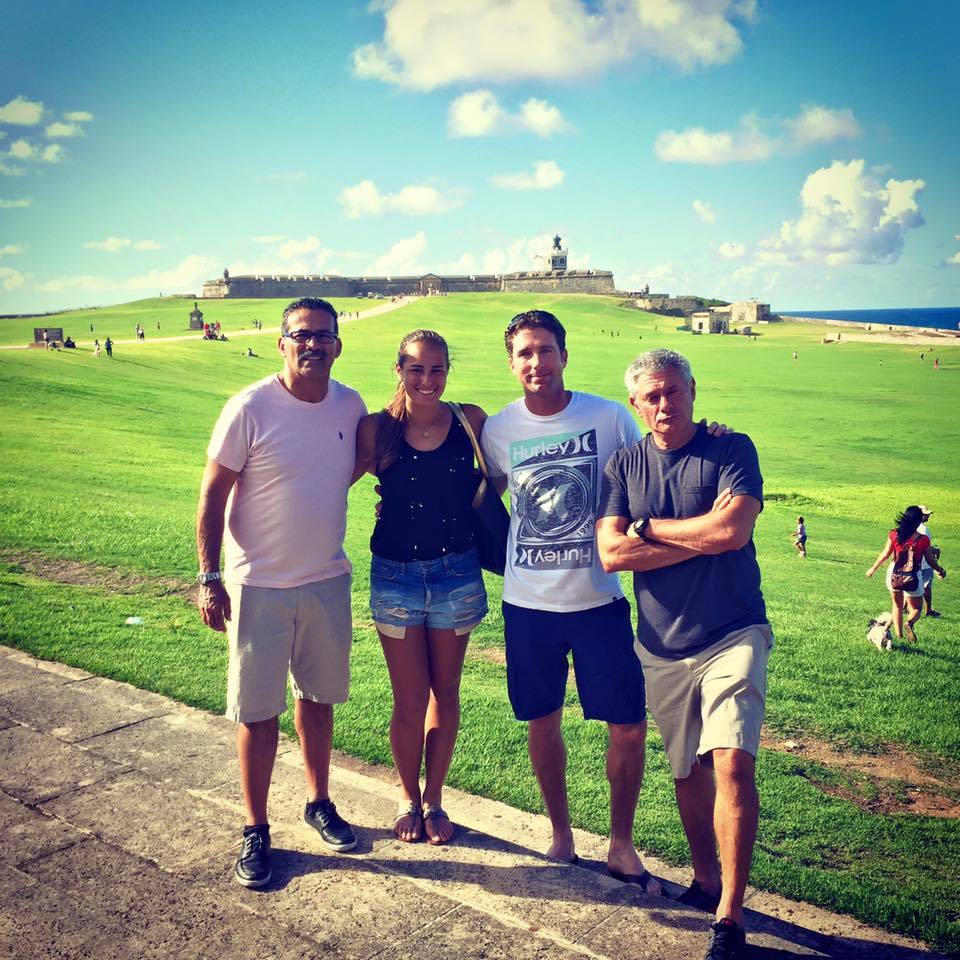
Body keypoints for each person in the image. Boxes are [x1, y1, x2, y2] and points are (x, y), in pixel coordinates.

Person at [597, 348, 771, 960]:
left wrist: (648, 529)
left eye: (673, 391)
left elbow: (733, 531)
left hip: (734, 631)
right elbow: (611, 555)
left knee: (731, 762)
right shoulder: (624, 465)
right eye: (652, 396)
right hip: (661, 645)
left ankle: (730, 918)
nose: (665, 404)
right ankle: (705, 880)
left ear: (693, 390)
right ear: (636, 405)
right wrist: (700, 535)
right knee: (687, 772)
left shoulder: (731, 449)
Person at [479, 310, 660, 891]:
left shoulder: (608, 417)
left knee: (628, 724)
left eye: (545, 350)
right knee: (542, 720)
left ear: (564, 354)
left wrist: (707, 435)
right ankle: (560, 834)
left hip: (599, 601)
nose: (536, 362)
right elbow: (481, 498)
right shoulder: (499, 430)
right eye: (524, 353)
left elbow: (654, 468)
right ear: (511, 363)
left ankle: (621, 844)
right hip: (528, 605)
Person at [196, 297, 366, 888]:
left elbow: (345, 470)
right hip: (257, 584)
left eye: (323, 335)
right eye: (301, 335)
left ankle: (318, 802)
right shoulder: (249, 407)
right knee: (257, 710)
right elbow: (212, 495)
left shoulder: (349, 404)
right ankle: (255, 828)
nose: (312, 344)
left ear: (338, 344)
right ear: (282, 343)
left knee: (317, 700)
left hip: (325, 579)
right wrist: (208, 576)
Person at [353, 330, 491, 845]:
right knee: (409, 698)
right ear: (399, 370)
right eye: (416, 369)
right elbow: (331, 479)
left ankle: (434, 798)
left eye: (437, 369)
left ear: (448, 371)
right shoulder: (377, 429)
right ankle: (408, 797)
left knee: (446, 692)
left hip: (457, 574)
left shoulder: (470, 421)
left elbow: (509, 470)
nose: (427, 380)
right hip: (396, 577)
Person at [866, 505, 945, 643]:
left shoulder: (894, 534)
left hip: (894, 574)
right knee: (916, 608)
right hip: (913, 575)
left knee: (897, 606)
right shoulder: (923, 539)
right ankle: (909, 623)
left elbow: (885, 554)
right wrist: (940, 570)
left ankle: (899, 636)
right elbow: (930, 559)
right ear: (918, 521)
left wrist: (872, 569)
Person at [916, 505, 941, 617]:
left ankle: (905, 608)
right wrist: (935, 550)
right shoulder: (924, 530)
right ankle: (928, 610)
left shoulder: (911, 527)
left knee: (911, 586)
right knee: (927, 587)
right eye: (925, 514)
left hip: (914, 562)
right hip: (925, 563)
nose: (928, 516)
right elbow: (925, 547)